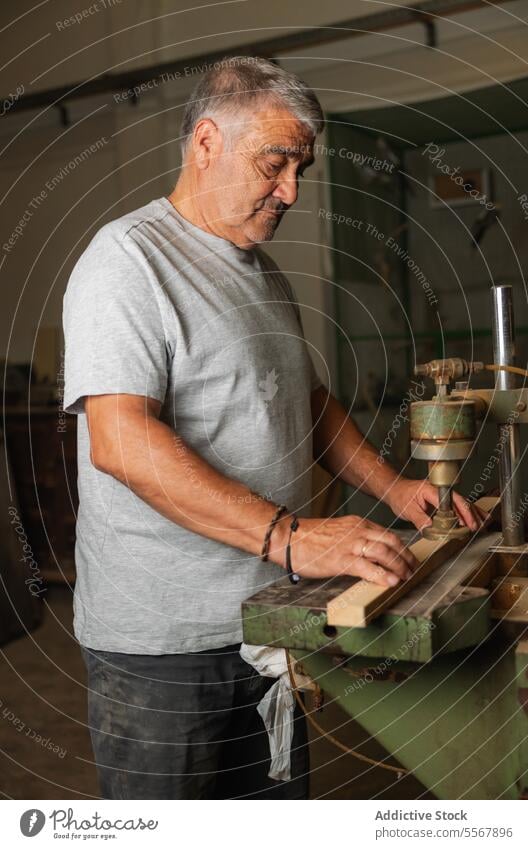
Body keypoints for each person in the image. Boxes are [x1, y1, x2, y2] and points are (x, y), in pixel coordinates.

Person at [63, 56, 481, 800]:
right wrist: (290, 537)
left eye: (301, 168)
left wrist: (394, 487)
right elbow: (120, 441)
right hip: (163, 645)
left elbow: (305, 399)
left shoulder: (261, 273)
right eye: (274, 162)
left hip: (265, 620)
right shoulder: (127, 260)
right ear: (204, 144)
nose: (289, 190)